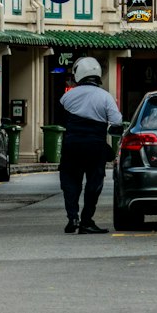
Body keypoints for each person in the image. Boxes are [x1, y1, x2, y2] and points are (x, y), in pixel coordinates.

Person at [58, 57, 122, 234]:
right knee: (94, 184)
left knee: (70, 182)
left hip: (72, 145)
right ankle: (87, 220)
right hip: (95, 146)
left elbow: (60, 120)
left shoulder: (67, 96)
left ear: (79, 74)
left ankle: (73, 217)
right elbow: (116, 122)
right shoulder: (105, 97)